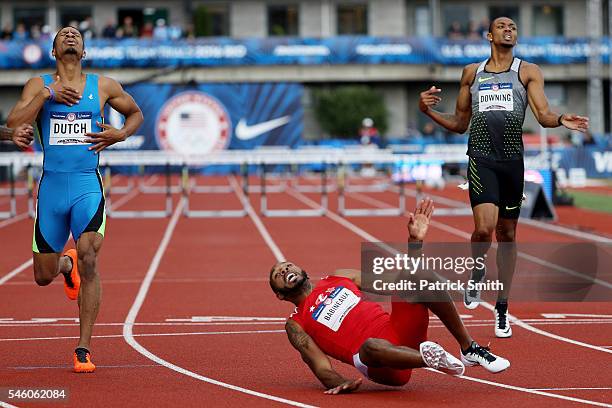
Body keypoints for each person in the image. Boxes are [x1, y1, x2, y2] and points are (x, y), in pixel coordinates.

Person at [418, 17, 589, 338]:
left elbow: (543, 115)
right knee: (483, 230)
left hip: (513, 162)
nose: (509, 29)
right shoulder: (472, 73)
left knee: (507, 235)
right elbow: (459, 123)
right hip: (482, 158)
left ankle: (502, 307)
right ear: (489, 35)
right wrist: (427, 112)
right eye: (502, 26)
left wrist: (562, 118)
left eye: (513, 26)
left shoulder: (528, 71)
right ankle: (478, 271)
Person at [7, 26, 143, 372]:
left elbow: (136, 113)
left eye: (77, 35)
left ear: (83, 51)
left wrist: (120, 134)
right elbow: (13, 123)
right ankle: (66, 268)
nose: (70, 36)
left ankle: (83, 347)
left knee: (90, 257)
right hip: (51, 188)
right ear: (53, 51)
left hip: (86, 185)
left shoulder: (104, 85)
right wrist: (48, 95)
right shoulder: (38, 85)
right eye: (63, 35)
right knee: (42, 275)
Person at [270, 199, 510, 394]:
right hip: (378, 361)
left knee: (421, 277)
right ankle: (430, 359)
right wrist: (337, 381)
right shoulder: (295, 323)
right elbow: (319, 364)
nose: (285, 271)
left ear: (303, 271)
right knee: (370, 346)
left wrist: (415, 242)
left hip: (399, 329)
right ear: (280, 294)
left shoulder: (339, 278)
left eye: (288, 266)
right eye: (278, 275)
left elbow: (400, 283)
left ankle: (468, 349)